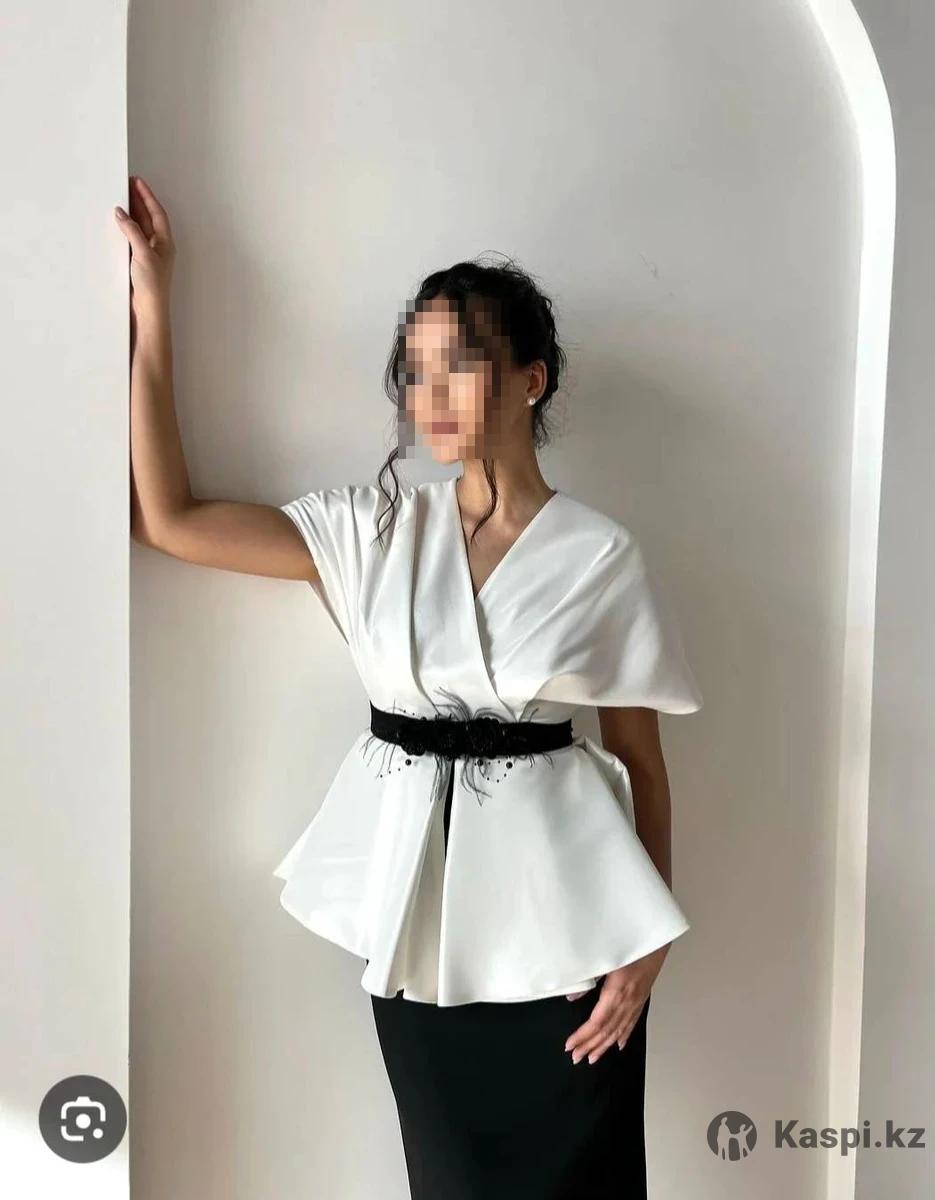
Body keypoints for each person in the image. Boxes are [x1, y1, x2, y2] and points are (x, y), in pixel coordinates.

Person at [116, 175, 703, 1199]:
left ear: (530, 378)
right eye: (414, 371)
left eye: (457, 367)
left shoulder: (600, 556)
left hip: (569, 944)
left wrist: (648, 945)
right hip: (420, 935)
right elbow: (168, 520)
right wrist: (154, 307)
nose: (428, 396)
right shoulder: (375, 529)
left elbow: (640, 766)